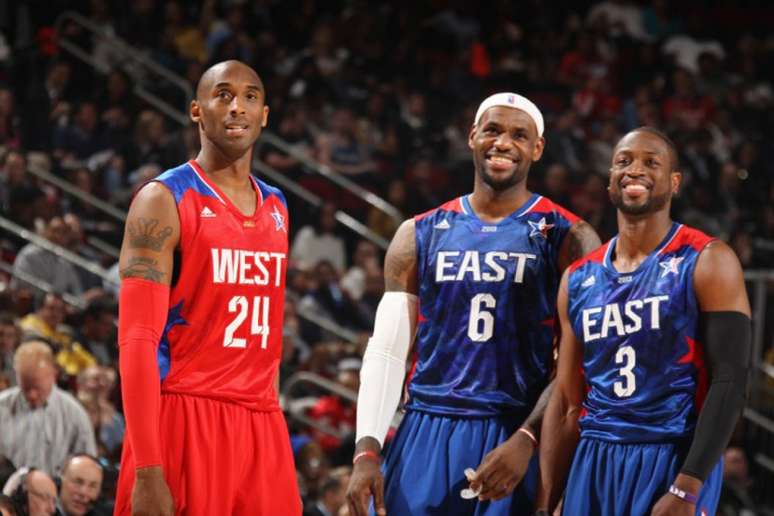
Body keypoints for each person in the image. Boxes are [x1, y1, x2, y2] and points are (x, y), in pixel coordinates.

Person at [346, 92, 600, 515]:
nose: (503, 143)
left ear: (537, 149)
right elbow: (387, 352)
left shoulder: (570, 237)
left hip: (513, 426)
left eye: (520, 135)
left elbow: (580, 362)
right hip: (427, 421)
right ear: (472, 136)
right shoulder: (419, 233)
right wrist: (366, 450)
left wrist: (529, 438)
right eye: (493, 130)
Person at [113, 60, 301, 516]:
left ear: (265, 114)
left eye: (250, 97)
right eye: (224, 95)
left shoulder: (276, 205)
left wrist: (269, 412)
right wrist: (148, 469)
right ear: (197, 111)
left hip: (261, 419)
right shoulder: (163, 199)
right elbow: (137, 339)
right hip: (185, 414)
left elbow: (269, 333)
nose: (237, 107)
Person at [537, 128, 751, 516]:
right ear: (609, 181)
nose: (635, 169)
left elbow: (731, 381)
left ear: (674, 183)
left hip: (671, 453)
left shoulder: (708, 259)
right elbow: (568, 402)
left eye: (651, 162)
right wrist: (547, 499)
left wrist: (688, 486)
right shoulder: (579, 278)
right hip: (595, 455)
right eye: (623, 161)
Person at [0, 341, 97, 476]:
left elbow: (88, 469)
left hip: (56, 495)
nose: (32, 395)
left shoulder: (75, 414)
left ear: (54, 374)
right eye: (26, 388)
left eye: (37, 387)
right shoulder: (2, 406)